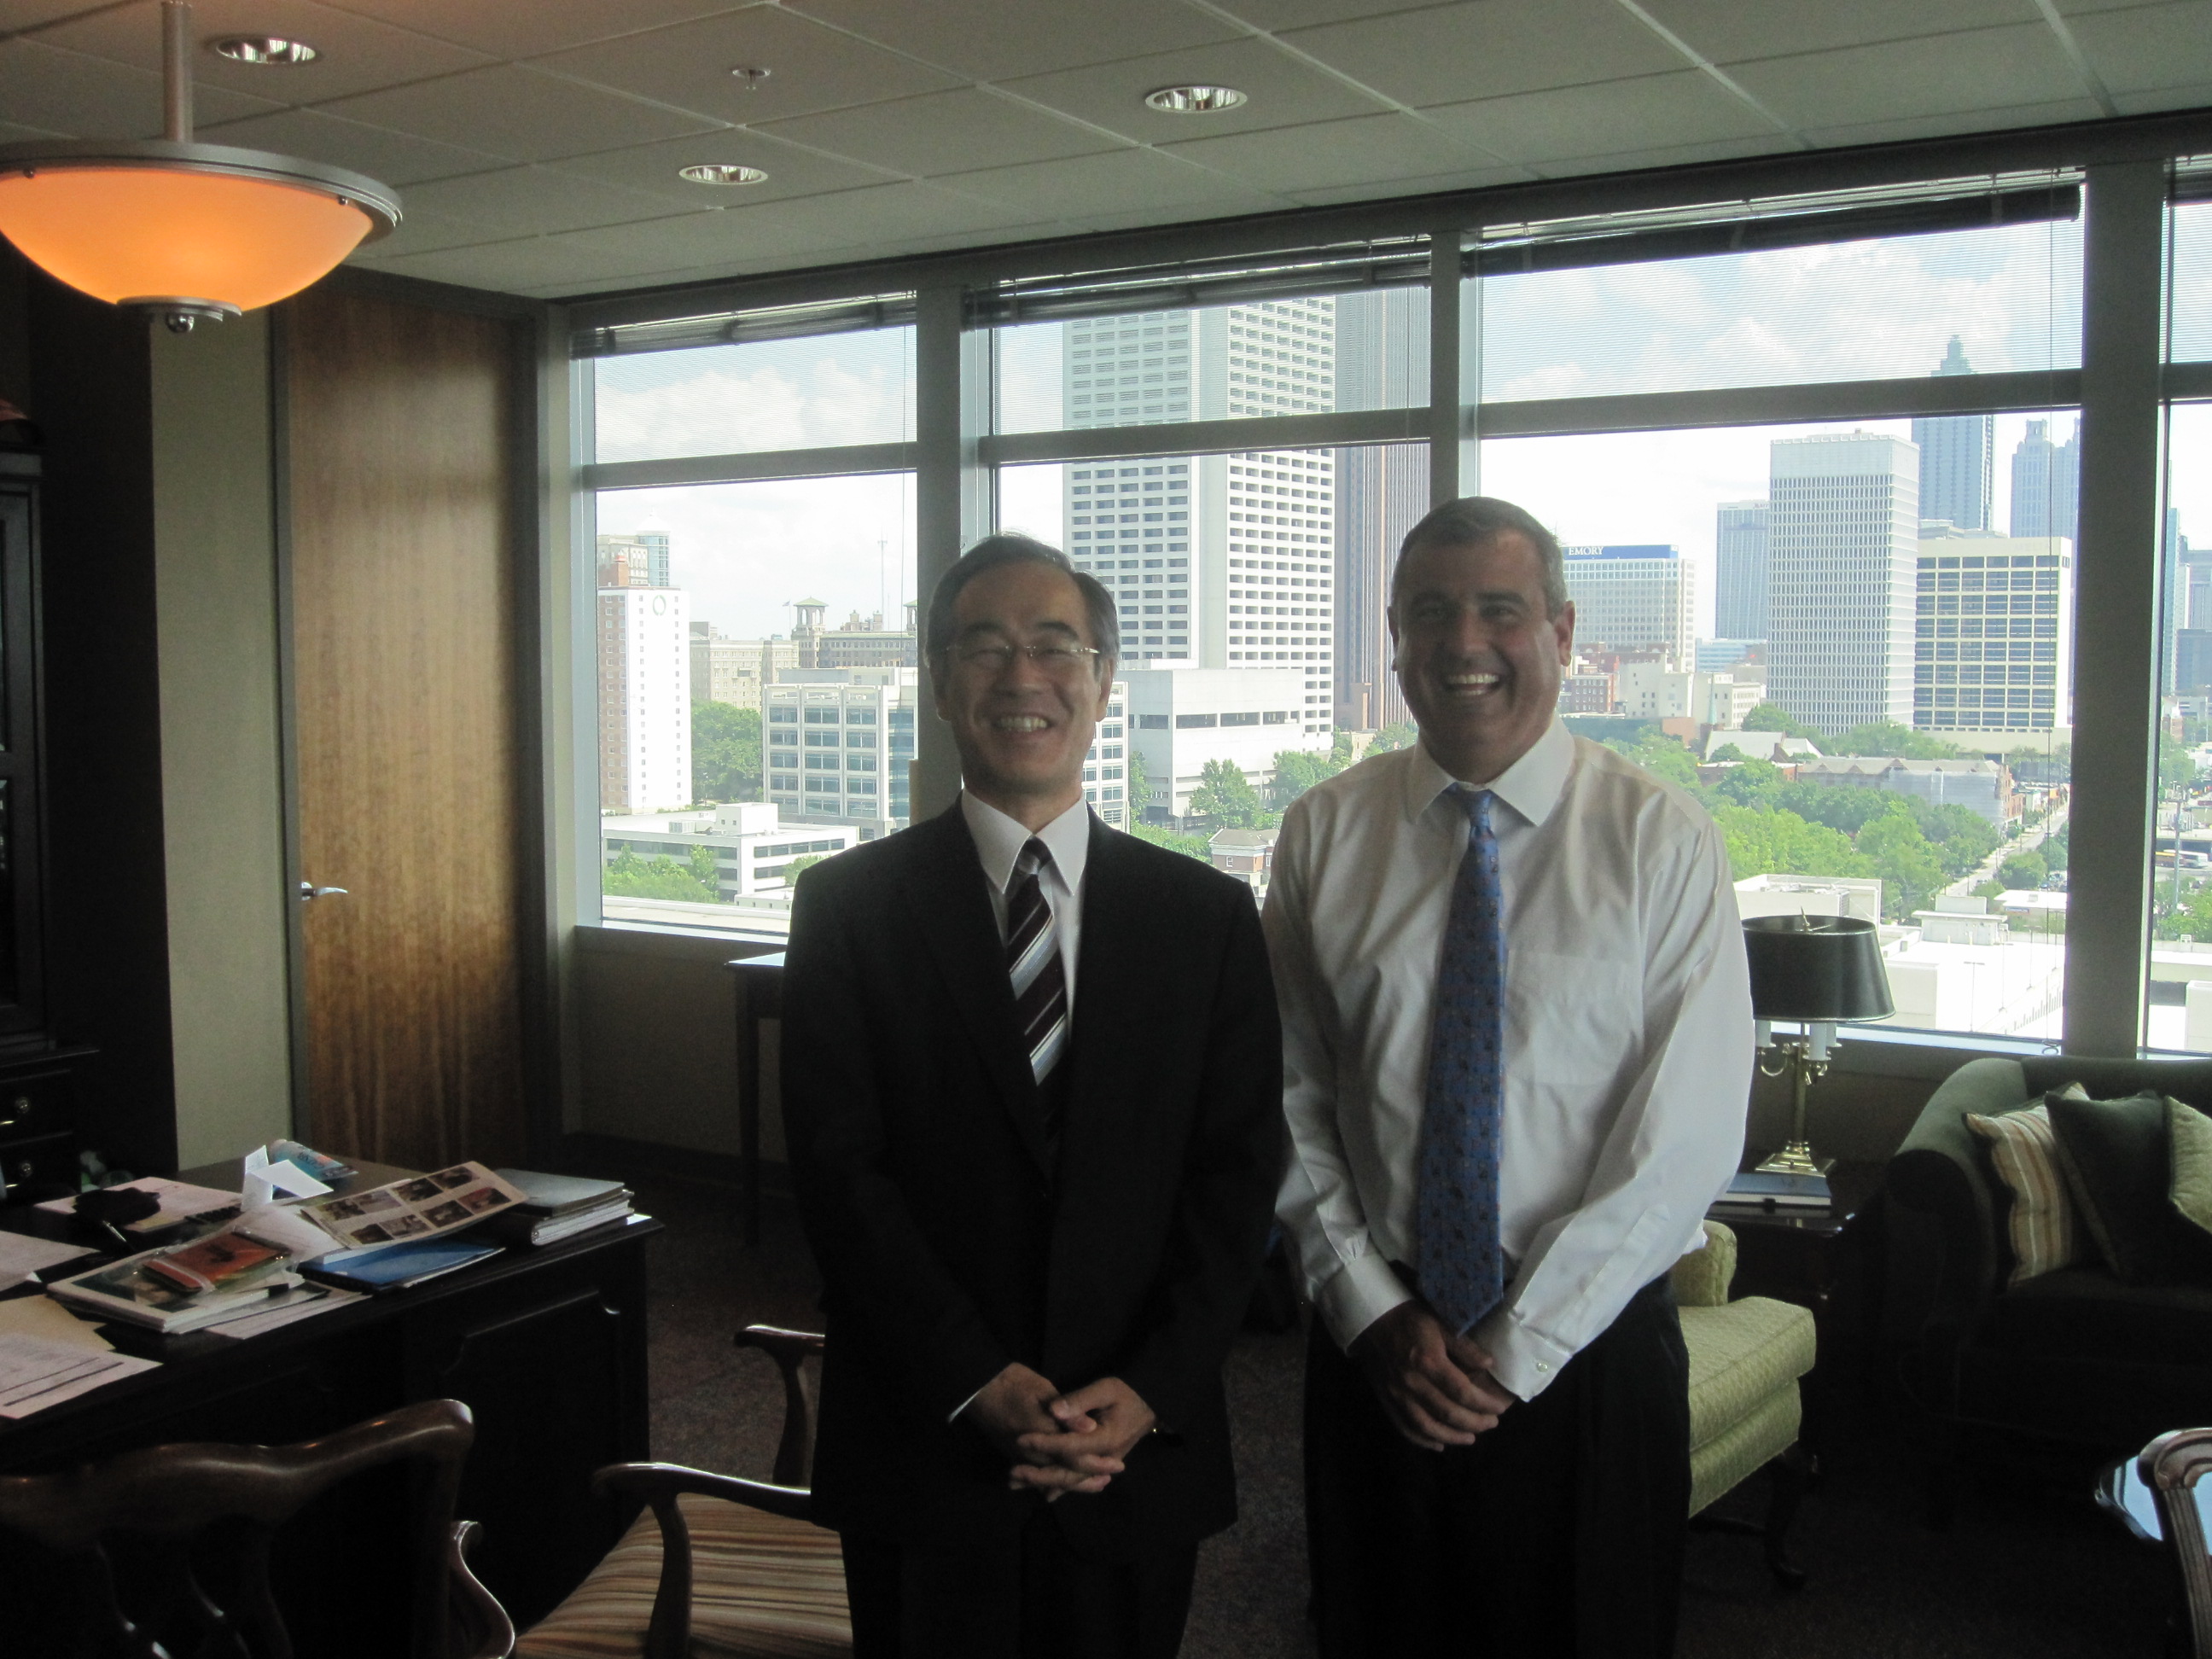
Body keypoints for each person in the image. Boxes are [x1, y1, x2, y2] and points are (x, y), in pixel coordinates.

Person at [782, 533, 1284, 1659]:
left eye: (1056, 646)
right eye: (985, 646)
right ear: (938, 679)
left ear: (1102, 680)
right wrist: (975, 1379)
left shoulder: (1203, 921)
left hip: (1137, 1445)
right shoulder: (846, 909)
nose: (1023, 676)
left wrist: (1147, 1391)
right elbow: (839, 1176)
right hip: (929, 1436)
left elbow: (1239, 1180)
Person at [1267, 498, 1753, 1658]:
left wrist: (1517, 1347)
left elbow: (1679, 1144)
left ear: (1564, 632)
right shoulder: (1323, 835)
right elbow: (1286, 1098)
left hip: (1584, 1358)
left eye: (1501, 610)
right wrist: (1368, 1312)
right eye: (1429, 614)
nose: (1463, 643)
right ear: (1392, 636)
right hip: (1377, 1349)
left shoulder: (1661, 842)